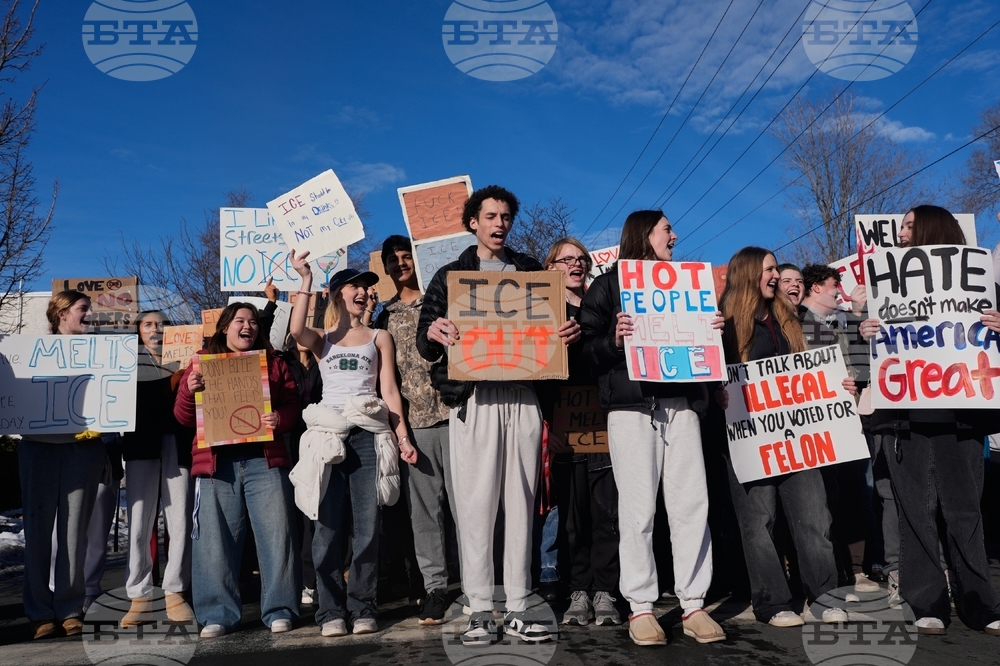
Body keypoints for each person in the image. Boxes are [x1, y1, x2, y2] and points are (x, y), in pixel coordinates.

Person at [415, 185, 579, 646]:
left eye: (506, 216)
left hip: (524, 396)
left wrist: (569, 330)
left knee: (521, 503)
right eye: (490, 216)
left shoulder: (532, 272)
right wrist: (435, 329)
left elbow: (560, 329)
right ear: (473, 222)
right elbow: (424, 345)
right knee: (476, 504)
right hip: (475, 399)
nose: (499, 223)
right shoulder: (450, 275)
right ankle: (480, 609)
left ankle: (521, 606)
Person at [579, 211, 726, 646]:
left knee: (691, 506)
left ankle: (693, 603)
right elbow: (585, 352)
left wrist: (712, 329)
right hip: (631, 410)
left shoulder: (686, 285)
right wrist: (613, 341)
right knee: (638, 511)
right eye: (667, 229)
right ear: (644, 234)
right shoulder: (607, 286)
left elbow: (701, 346)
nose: (675, 236)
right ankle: (641, 608)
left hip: (680, 406)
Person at [862, 205, 1000, 636]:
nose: (900, 233)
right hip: (905, 415)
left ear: (930, 231)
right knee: (916, 512)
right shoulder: (885, 287)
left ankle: (979, 602)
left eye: (907, 225)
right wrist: (868, 330)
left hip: (962, 413)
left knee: (965, 510)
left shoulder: (982, 284)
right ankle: (927, 602)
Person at [288, 255, 418, 638]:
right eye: (354, 286)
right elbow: (297, 330)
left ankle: (362, 607)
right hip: (328, 435)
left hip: (368, 435)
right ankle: (330, 612)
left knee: (367, 527)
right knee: (327, 527)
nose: (362, 293)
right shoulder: (323, 340)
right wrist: (306, 279)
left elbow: (389, 390)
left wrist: (403, 436)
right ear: (337, 294)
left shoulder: (381, 337)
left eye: (366, 287)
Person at [715, 247, 844, 627]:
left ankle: (824, 596)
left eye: (776, 269)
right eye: (770, 269)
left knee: (814, 516)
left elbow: (819, 367)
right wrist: (715, 391)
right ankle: (772, 602)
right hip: (747, 436)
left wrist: (842, 384)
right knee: (759, 520)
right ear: (750, 273)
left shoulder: (791, 318)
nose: (776, 276)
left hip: (797, 435)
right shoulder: (722, 323)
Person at [174, 302, 302, 638]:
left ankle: (280, 609)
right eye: (240, 321)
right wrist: (189, 391)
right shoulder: (200, 364)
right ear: (225, 328)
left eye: (253, 322)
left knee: (277, 536)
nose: (248, 327)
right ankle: (217, 613)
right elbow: (183, 418)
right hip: (217, 466)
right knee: (214, 542)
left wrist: (280, 419)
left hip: (265, 461)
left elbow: (292, 405)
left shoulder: (273, 363)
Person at [373, 235, 457, 626]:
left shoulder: (442, 301)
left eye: (407, 257)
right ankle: (435, 587)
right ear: (386, 268)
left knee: (467, 508)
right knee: (424, 515)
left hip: (457, 416)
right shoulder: (382, 317)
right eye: (394, 259)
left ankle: (478, 584)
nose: (401, 263)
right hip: (415, 426)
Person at [538, 238, 622, 628]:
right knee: (571, 517)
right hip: (563, 428)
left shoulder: (603, 303)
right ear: (550, 266)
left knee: (606, 512)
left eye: (581, 259)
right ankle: (576, 590)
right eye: (566, 259)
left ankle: (606, 591)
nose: (575, 264)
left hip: (604, 424)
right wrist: (545, 424)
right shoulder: (538, 310)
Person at [19, 291, 107, 639]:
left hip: (82, 448)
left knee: (74, 533)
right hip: (37, 448)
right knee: (38, 532)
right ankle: (39, 612)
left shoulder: (103, 353)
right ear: (62, 313)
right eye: (83, 309)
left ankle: (70, 608)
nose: (89, 315)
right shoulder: (29, 350)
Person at [798, 265, 879, 599]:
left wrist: (858, 320)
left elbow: (858, 366)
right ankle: (827, 569)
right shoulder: (798, 322)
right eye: (834, 286)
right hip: (814, 426)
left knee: (857, 493)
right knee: (823, 500)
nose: (839, 292)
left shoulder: (844, 320)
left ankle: (858, 568)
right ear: (816, 288)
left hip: (848, 420)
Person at [120, 311, 193, 627]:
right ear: (138, 331)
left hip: (178, 445)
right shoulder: (124, 364)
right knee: (139, 522)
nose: (156, 329)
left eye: (161, 324)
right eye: (148, 324)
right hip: (141, 446)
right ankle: (138, 594)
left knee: (179, 521)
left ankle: (175, 591)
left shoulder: (186, 361)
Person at [274, 332, 323, 607]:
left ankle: (314, 578)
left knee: (316, 510)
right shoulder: (280, 362)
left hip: (319, 440)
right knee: (294, 511)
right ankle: (301, 579)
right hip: (290, 442)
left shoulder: (325, 359)